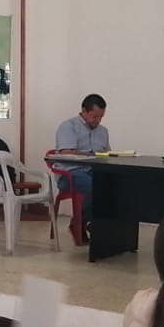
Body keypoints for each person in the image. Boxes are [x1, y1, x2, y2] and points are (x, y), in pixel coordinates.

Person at [53, 93, 109, 241]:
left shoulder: (103, 131)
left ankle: (101, 226)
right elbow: (66, 152)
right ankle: (81, 223)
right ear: (84, 111)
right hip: (70, 173)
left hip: (93, 171)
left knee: (114, 184)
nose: (97, 121)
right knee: (94, 185)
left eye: (101, 117)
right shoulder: (68, 127)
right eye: (94, 116)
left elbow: (107, 154)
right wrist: (90, 155)